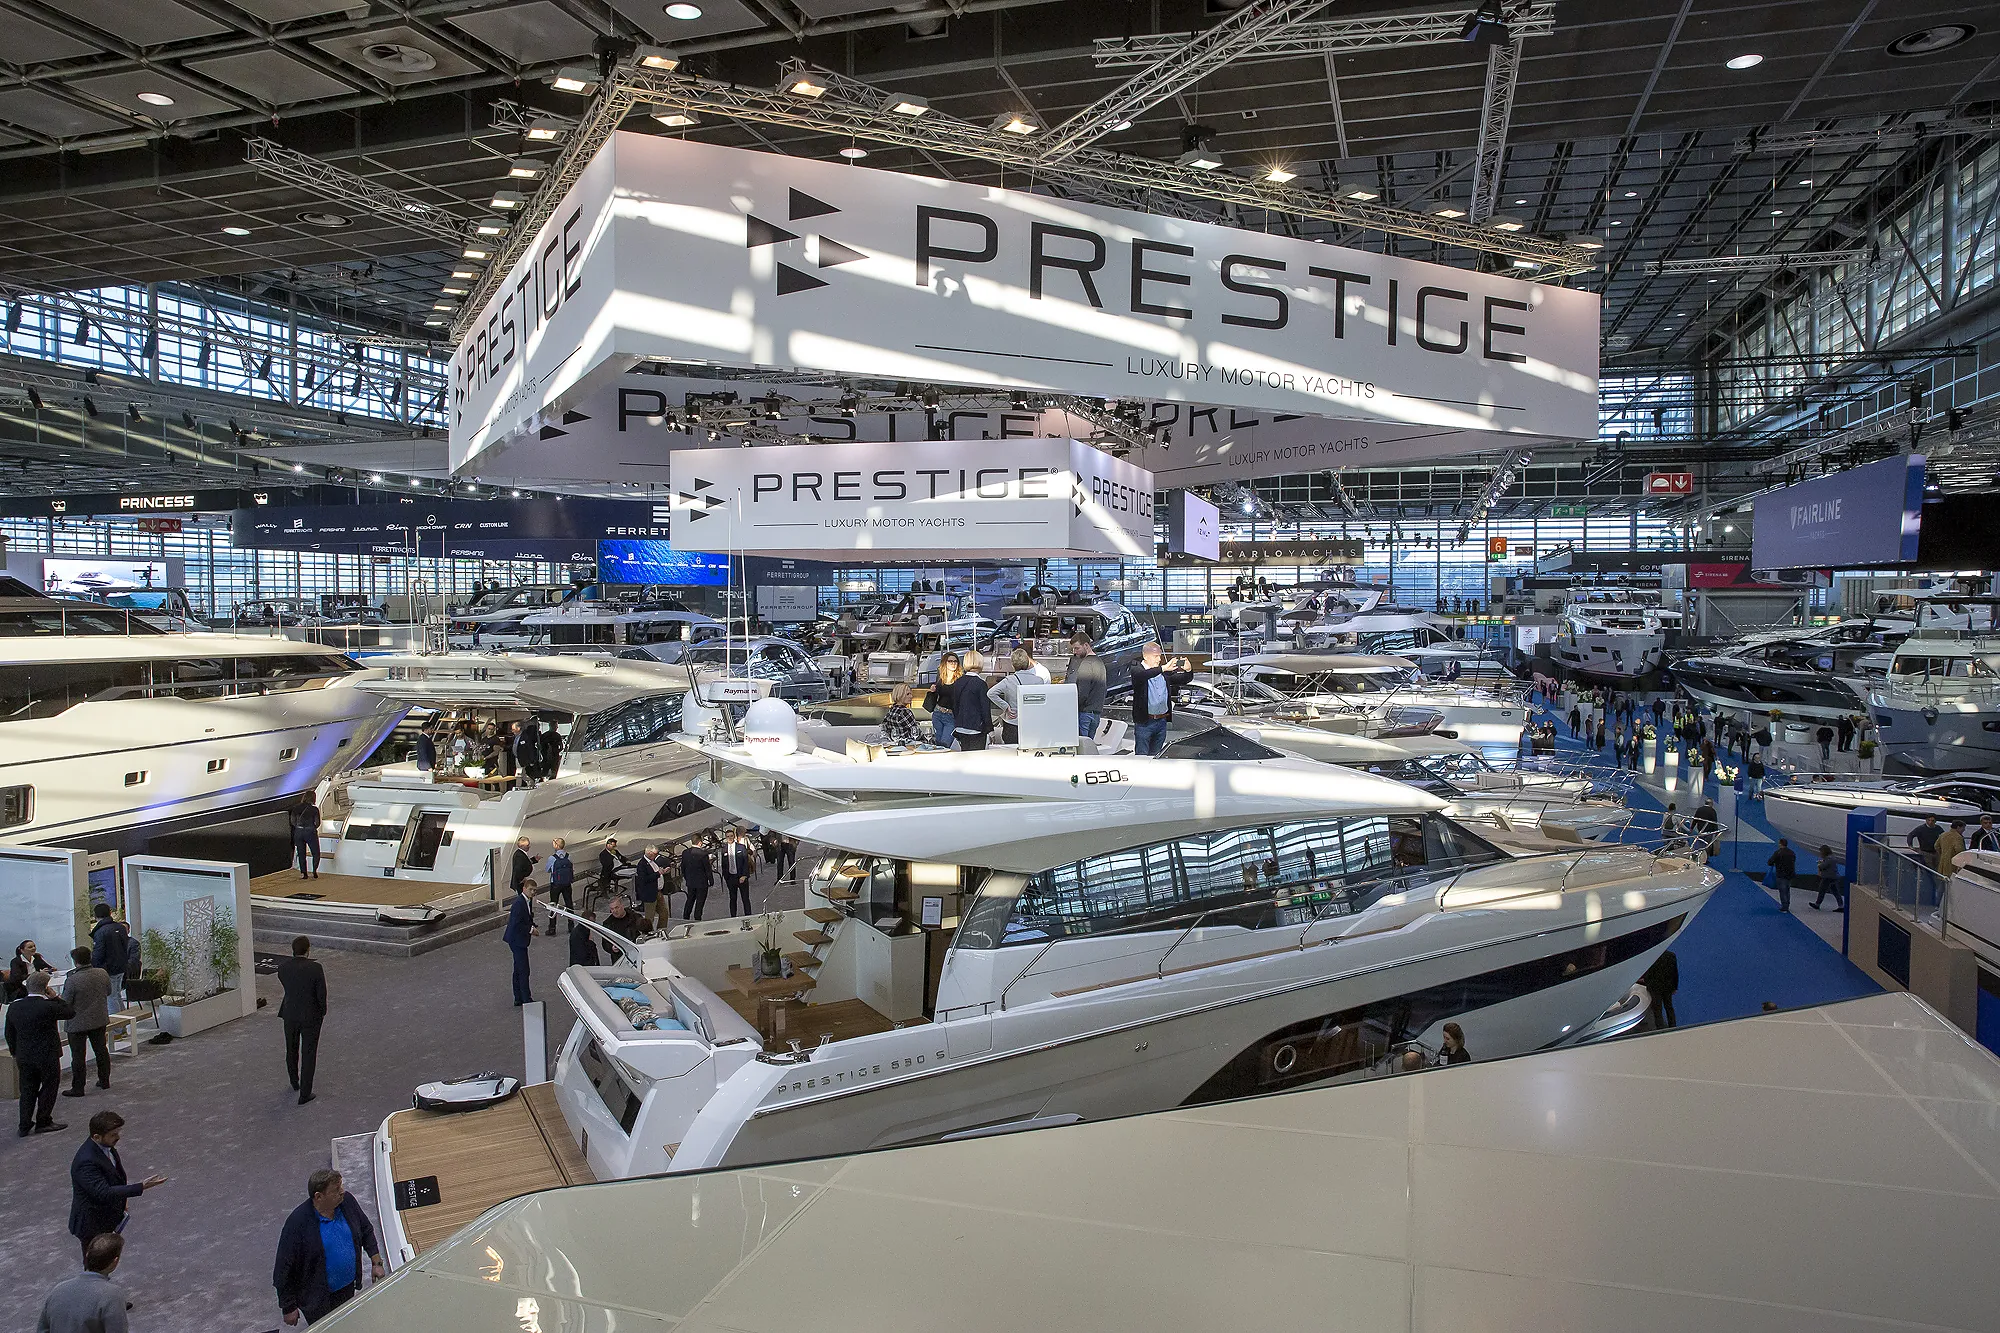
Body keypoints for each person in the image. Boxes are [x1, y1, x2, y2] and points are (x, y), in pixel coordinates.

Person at [273, 1168, 383, 1327]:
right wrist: (288, 1307)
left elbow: (366, 1229)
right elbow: (282, 1269)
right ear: (319, 1196)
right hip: (318, 1300)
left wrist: (376, 1262)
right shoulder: (297, 1223)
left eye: (341, 1186)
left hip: (346, 1289)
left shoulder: (347, 1202)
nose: (342, 1191)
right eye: (336, 1189)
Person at [68, 1112, 165, 1257]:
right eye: (113, 1134)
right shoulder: (86, 1161)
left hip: (106, 1217)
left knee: (106, 1259)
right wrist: (141, 1186)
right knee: (95, 1262)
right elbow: (103, 1192)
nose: (118, 1137)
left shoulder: (106, 1147)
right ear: (97, 1137)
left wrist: (122, 1200)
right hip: (92, 1224)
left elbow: (116, 1176)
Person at [7, 972, 74, 1135]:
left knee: (27, 1089)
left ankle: (24, 1125)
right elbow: (70, 1012)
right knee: (49, 1087)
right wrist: (55, 997)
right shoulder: (49, 1006)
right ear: (46, 988)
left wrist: (15, 1052)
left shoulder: (14, 1007)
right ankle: (43, 1120)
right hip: (47, 1054)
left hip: (24, 1055)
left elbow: (9, 1033)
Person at [39, 1233, 130, 1333]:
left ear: (87, 1255)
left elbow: (42, 1329)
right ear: (115, 1262)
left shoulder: (58, 1290)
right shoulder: (112, 1295)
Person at [277, 936, 328, 1106]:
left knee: (291, 1048)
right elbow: (321, 994)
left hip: (289, 1014)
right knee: (309, 1053)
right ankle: (305, 1093)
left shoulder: (283, 968)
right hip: (311, 1015)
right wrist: (322, 1011)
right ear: (308, 950)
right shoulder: (315, 968)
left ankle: (294, 1081)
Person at [60, 948, 112, 1100]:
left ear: (75, 961)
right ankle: (105, 1080)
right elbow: (108, 992)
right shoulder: (102, 973)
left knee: (78, 1056)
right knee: (101, 1051)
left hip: (77, 1023)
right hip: (99, 1018)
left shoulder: (72, 980)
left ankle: (78, 1087)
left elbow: (66, 1002)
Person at [1129, 642, 1195, 757]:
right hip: (1145, 722)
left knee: (1157, 756)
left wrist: (1188, 670)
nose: (1159, 659)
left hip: (1161, 721)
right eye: (1156, 656)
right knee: (1142, 757)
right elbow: (1142, 675)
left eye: (1159, 656)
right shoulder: (1137, 669)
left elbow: (1184, 679)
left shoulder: (1164, 674)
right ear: (1145, 656)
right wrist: (1163, 668)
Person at [986, 648, 1040, 746]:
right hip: (1032, 724)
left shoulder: (1008, 680)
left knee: (1011, 752)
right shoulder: (1039, 681)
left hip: (1012, 724)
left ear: (1012, 665)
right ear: (1028, 663)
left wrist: (1005, 707)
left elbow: (991, 693)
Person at [88, 905, 132, 1013]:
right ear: (110, 913)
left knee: (111, 997)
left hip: (108, 968)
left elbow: (98, 953)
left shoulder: (100, 932)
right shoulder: (120, 928)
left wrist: (93, 967)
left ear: (95, 915)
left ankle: (117, 1022)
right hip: (121, 965)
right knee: (117, 994)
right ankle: (123, 1019)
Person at [502, 879, 538, 1006]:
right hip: (517, 940)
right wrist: (531, 930)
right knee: (524, 970)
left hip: (517, 940)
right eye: (530, 889)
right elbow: (517, 923)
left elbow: (526, 918)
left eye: (534, 890)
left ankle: (518, 997)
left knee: (518, 969)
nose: (532, 892)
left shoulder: (526, 901)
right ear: (524, 889)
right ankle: (526, 998)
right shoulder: (519, 903)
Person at [1069, 631, 1107, 744]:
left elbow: (1082, 692)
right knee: (1089, 746)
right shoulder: (1100, 662)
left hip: (1084, 713)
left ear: (1086, 645)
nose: (1075, 652)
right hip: (1096, 713)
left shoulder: (1086, 664)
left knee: (1081, 747)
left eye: (1077, 648)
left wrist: (1073, 707)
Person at [952, 650, 994, 752]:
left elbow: (954, 705)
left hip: (960, 727)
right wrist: (990, 729)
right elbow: (985, 709)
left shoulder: (958, 682)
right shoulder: (980, 684)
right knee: (976, 758)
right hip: (976, 728)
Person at [925, 653, 961, 748]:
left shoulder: (960, 679)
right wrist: (932, 691)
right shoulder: (940, 677)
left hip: (951, 716)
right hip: (938, 713)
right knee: (938, 743)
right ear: (945, 663)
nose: (953, 663)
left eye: (955, 661)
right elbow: (937, 695)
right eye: (950, 661)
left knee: (945, 743)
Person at [1640, 949, 1679, 1029]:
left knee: (1657, 1009)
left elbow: (1649, 972)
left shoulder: (1651, 956)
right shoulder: (1671, 955)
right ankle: (1673, 1026)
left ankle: (1660, 1028)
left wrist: (1646, 982)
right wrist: (1675, 987)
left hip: (1655, 987)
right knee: (1669, 1007)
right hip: (1667, 987)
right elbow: (1674, 972)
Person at [543, 837, 574, 936]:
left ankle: (552, 928)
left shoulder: (552, 858)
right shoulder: (569, 856)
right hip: (567, 884)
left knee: (553, 905)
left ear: (556, 845)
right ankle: (571, 926)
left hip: (555, 884)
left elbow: (547, 870)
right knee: (569, 904)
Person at [720, 830, 756, 917]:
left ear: (734, 836)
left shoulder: (741, 847)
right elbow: (724, 864)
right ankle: (733, 917)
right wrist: (726, 877)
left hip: (741, 877)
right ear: (725, 838)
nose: (730, 838)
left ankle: (748, 916)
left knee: (745, 898)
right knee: (732, 899)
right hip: (731, 878)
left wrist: (744, 875)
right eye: (728, 836)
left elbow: (745, 863)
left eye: (731, 836)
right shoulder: (724, 849)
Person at [680, 837, 714, 920]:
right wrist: (711, 880)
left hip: (690, 881)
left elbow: (683, 867)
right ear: (700, 842)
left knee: (690, 899)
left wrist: (686, 878)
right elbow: (707, 869)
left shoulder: (685, 852)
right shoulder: (703, 854)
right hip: (702, 882)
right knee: (700, 901)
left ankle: (686, 916)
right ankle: (697, 917)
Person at [631, 844, 665, 929]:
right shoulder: (642, 864)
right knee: (650, 917)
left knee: (664, 913)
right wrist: (657, 874)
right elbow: (644, 879)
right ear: (650, 853)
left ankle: (661, 930)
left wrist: (662, 872)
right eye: (655, 854)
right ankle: (648, 932)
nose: (656, 855)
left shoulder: (653, 862)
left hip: (658, 892)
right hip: (649, 894)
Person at [290, 794, 322, 880]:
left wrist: (299, 827)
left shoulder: (296, 808)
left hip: (299, 832)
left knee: (301, 853)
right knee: (315, 853)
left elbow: (293, 821)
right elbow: (317, 823)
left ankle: (304, 873)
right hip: (310, 831)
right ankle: (314, 871)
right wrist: (312, 827)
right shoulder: (314, 809)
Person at [881, 683, 921, 747]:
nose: (911, 696)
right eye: (908, 694)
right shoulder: (905, 712)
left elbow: (884, 726)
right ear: (900, 695)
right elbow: (916, 733)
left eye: (911, 694)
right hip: (908, 745)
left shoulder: (891, 710)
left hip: (894, 745)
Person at [1767, 837, 1797, 913]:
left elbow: (1770, 862)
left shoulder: (1778, 853)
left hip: (1781, 874)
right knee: (1787, 890)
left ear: (1780, 844)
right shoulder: (1792, 852)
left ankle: (1784, 907)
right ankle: (1787, 905)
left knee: (1782, 891)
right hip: (1790, 874)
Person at [1812, 844, 1843, 910]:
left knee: (1822, 890)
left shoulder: (1829, 859)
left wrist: (1819, 864)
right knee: (1836, 892)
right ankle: (1841, 906)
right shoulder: (1832, 857)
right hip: (1834, 877)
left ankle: (1817, 904)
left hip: (1828, 877)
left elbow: (1822, 866)